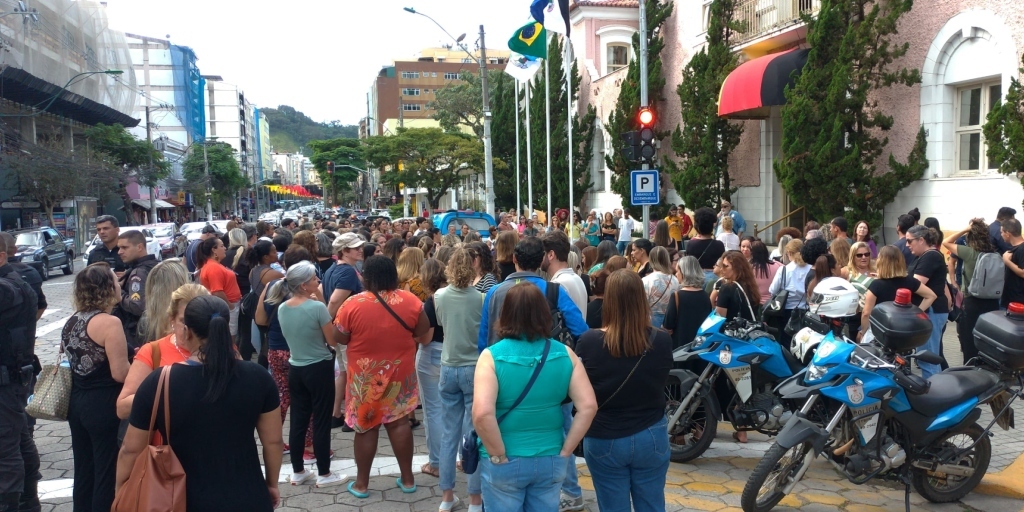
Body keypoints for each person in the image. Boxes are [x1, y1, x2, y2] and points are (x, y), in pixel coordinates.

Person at [116, 295, 285, 511]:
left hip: (180, 498)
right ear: (225, 327)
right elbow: (273, 442)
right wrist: (271, 484)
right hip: (248, 495)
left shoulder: (160, 382)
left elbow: (130, 449)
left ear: (186, 331)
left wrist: (121, 488)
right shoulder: (258, 377)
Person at [476, 237, 590, 510]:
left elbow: (482, 340)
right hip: (550, 384)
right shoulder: (553, 290)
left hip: (501, 379)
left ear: (514, 259)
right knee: (560, 425)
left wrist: (498, 455)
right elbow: (581, 331)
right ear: (542, 260)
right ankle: (571, 490)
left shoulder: (495, 292)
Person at [576, 270, 672, 511]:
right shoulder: (661, 341)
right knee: (652, 503)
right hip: (651, 432)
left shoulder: (589, 341)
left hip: (604, 435)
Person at [334, 255, 429, 498]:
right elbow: (421, 331)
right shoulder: (411, 301)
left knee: (365, 427)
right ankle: (408, 480)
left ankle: (362, 484)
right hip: (400, 375)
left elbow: (340, 337)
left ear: (366, 276)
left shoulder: (352, 304)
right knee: (399, 423)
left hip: (365, 379)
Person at [270, 261, 346, 486]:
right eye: (314, 279)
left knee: (298, 421)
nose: (318, 281)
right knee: (321, 420)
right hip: (319, 367)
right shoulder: (317, 308)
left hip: (297, 367)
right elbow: (331, 339)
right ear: (304, 285)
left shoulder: (283, 308)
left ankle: (298, 471)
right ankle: (324, 473)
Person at [62, 263, 130, 512]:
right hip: (104, 405)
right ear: (106, 289)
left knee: (84, 471)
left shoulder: (71, 321)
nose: (119, 284)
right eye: (115, 281)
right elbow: (120, 372)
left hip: (77, 403)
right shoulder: (110, 323)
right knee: (105, 473)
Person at [433, 248, 484, 511]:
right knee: (473, 433)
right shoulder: (481, 298)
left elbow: (441, 324)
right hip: (473, 367)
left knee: (449, 433)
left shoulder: (439, 295)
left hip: (448, 365)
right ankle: (475, 498)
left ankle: (447, 496)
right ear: (474, 266)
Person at [116, 280, 206, 420]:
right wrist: (163, 393)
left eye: (196, 320)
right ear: (172, 319)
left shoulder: (223, 349)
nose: (188, 329)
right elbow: (122, 408)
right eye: (183, 320)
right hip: (166, 439)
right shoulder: (153, 351)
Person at [0, 234, 41, 512]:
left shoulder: (7, 287)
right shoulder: (15, 281)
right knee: (19, 440)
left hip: (7, 381)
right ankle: (28, 499)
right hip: (13, 379)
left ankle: (11, 503)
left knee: (5, 448)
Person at [323, 232, 366, 429]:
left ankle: (335, 413)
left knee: (343, 371)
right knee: (352, 370)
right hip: (347, 329)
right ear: (344, 251)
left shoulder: (334, 269)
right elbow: (334, 300)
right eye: (355, 247)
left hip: (339, 328)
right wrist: (327, 321)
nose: (360, 250)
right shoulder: (348, 272)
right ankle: (351, 415)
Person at [943, 220, 999, 362]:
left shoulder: (969, 253)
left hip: (971, 301)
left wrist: (965, 229)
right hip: (992, 303)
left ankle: (970, 370)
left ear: (970, 236)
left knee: (968, 339)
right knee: (987, 338)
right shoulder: (995, 254)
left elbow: (946, 242)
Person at [859, 246, 938, 342]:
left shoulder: (877, 284)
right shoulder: (910, 281)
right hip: (903, 329)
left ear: (881, 262)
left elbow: (866, 313)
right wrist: (915, 313)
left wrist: (863, 331)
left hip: (881, 330)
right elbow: (931, 296)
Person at [906, 225, 950, 377]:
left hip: (932, 311)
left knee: (928, 357)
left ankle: (934, 394)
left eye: (909, 241)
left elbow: (916, 283)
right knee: (926, 355)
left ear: (921, 240)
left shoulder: (931, 256)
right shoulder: (925, 256)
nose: (907, 244)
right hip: (931, 310)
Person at [417, 259, 447, 478]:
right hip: (458, 354)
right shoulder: (461, 295)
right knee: (462, 410)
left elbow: (425, 338)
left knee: (433, 410)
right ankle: (465, 457)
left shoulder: (432, 301)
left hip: (433, 355)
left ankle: (436, 462)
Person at [113, 229, 159, 353]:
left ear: (139, 247)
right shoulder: (157, 265)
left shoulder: (139, 272)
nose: (120, 252)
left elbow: (137, 306)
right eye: (119, 248)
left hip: (138, 333)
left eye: (124, 247)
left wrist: (119, 292)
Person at [245, 241, 284, 368]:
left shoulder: (253, 271)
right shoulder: (274, 274)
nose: (276, 254)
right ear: (266, 256)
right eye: (273, 251)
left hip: (256, 310)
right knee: (267, 345)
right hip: (269, 312)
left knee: (262, 343)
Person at [766, 239, 812, 346]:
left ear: (789, 253)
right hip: (806, 309)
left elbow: (772, 290)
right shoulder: (811, 269)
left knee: (786, 340)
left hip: (786, 310)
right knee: (804, 341)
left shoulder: (784, 270)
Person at [196, 237, 242, 340]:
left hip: (229, 305)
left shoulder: (214, 265)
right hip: (227, 306)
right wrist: (231, 307)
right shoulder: (213, 267)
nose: (225, 248)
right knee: (230, 337)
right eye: (222, 246)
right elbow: (217, 291)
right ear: (214, 250)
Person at [664, 256, 714, 346]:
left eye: (677, 271)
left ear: (684, 272)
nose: (676, 274)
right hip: (700, 346)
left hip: (680, 346)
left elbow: (668, 325)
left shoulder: (677, 296)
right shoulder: (705, 295)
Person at [0, 231, 46, 320]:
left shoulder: (4, 278)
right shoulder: (31, 271)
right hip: (25, 330)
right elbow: (42, 306)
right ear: (15, 250)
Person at [542, 231, 588, 316]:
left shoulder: (557, 285)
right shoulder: (577, 278)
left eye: (542, 253)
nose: (540, 257)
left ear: (551, 255)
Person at [715, 251, 761, 322]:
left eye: (726, 266)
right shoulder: (750, 286)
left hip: (732, 331)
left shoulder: (726, 288)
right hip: (749, 329)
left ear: (737, 268)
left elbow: (719, 318)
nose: (721, 269)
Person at [687, 207, 727, 287]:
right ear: (712, 225)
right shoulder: (719, 245)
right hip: (714, 279)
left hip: (696, 279)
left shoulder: (691, 244)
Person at [643, 246, 680, 329]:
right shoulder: (675, 280)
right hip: (670, 320)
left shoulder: (646, 280)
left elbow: (642, 304)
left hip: (650, 319)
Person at [844, 242, 876, 336]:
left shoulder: (877, 270)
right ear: (853, 256)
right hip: (855, 316)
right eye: (859, 255)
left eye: (866, 254)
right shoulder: (846, 271)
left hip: (874, 316)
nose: (864, 257)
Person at [750, 239, 782, 304]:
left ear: (752, 253)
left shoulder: (749, 268)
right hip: (774, 302)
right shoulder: (778, 265)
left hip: (755, 302)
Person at [1001, 219, 1024, 307]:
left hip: (1018, 303)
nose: (1001, 235)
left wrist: (1007, 261)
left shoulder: (1022, 249)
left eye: (1002, 232)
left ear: (1008, 233)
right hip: (1010, 300)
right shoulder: (1015, 248)